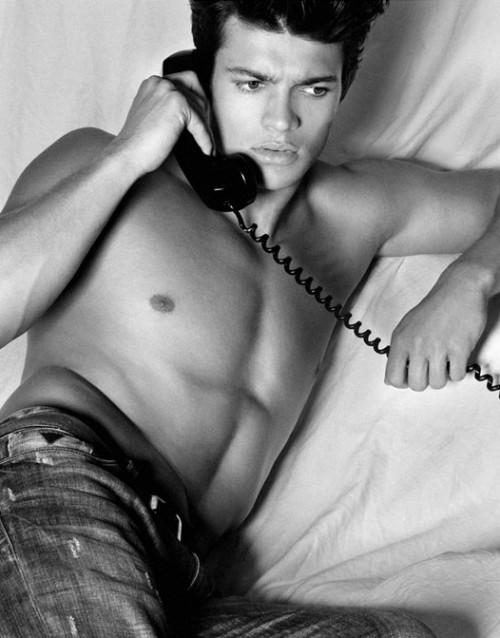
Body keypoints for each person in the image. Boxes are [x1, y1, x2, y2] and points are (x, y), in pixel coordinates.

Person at [0, 0, 498, 635]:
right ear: (201, 77)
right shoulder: (105, 168)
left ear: (343, 87)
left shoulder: (353, 210)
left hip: (181, 576)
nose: (282, 121)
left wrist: (470, 280)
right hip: (58, 488)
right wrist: (127, 155)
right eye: (252, 83)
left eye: (314, 88)